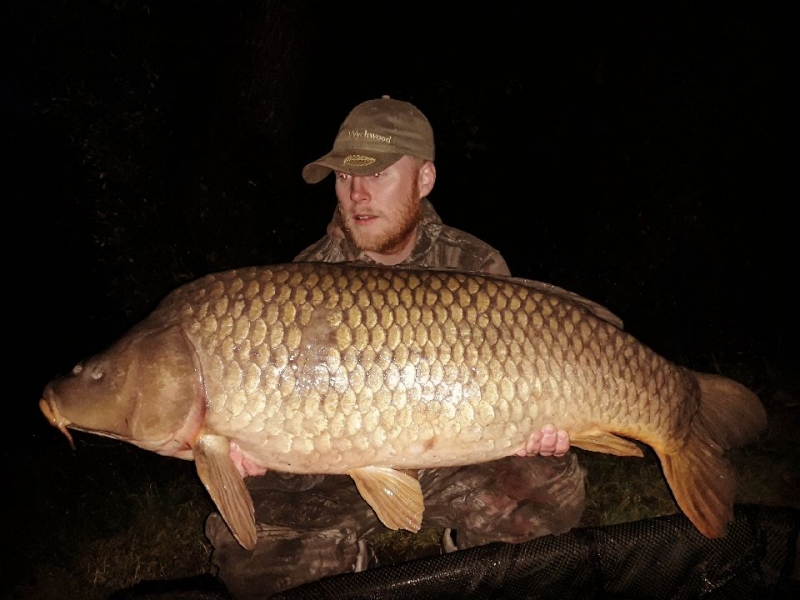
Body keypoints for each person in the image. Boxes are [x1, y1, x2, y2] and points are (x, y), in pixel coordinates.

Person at [206, 96, 586, 600]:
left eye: (377, 174)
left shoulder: (472, 263)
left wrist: (541, 429)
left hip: (454, 457)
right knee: (259, 564)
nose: (357, 194)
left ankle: (469, 550)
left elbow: (521, 387)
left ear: (424, 179)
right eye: (343, 178)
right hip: (340, 471)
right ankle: (356, 568)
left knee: (548, 496)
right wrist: (247, 442)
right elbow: (281, 411)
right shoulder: (303, 279)